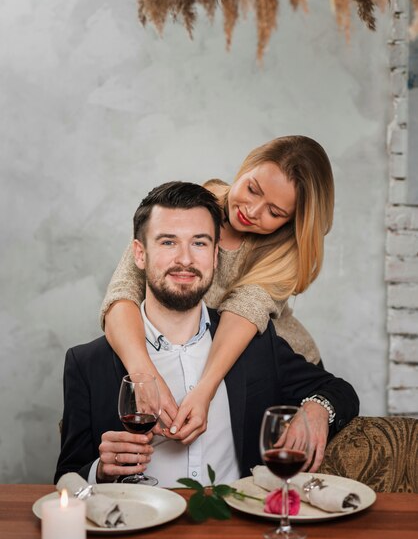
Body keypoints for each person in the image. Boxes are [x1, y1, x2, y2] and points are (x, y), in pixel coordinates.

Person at [55, 182, 359, 486]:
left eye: (199, 243)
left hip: (238, 526)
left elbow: (339, 390)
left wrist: (319, 409)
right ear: (139, 254)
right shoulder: (86, 363)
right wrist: (100, 469)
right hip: (135, 526)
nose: (185, 259)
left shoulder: (254, 346)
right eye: (168, 242)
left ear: (215, 255)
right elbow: (66, 478)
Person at [100, 136, 335, 445]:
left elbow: (240, 314)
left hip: (270, 361)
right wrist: (145, 374)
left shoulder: (283, 254)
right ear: (246, 167)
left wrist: (204, 391)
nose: (252, 210)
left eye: (274, 212)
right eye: (252, 189)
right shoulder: (191, 208)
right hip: (197, 351)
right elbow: (123, 292)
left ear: (292, 221)